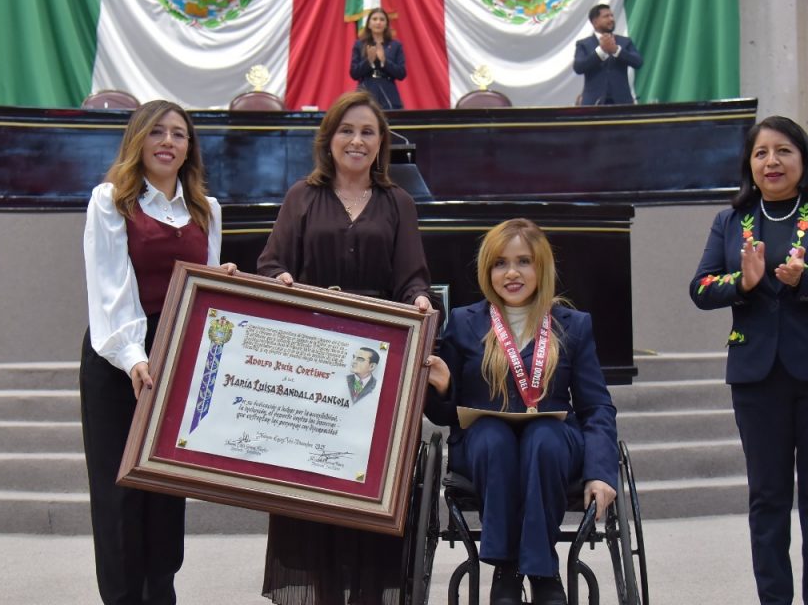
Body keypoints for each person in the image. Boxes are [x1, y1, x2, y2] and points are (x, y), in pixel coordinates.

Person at [256, 90, 433, 605]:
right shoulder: (301, 197)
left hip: (377, 370)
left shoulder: (397, 202)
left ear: (381, 145)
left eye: (368, 132)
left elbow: (413, 280)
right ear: (329, 139)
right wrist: (284, 279)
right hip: (313, 366)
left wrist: (420, 301)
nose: (357, 141)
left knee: (370, 481)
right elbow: (270, 265)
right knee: (316, 481)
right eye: (347, 131)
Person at [689, 115, 808, 605]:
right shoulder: (730, 220)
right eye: (761, 153)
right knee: (767, 499)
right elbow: (702, 288)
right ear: (749, 164)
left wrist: (807, 277)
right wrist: (742, 284)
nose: (772, 161)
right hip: (756, 376)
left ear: (803, 158)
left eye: (783, 151)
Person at [80, 99, 233, 604]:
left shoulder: (206, 210)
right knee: (119, 489)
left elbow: (201, 291)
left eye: (179, 134)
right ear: (138, 140)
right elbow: (110, 288)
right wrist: (133, 356)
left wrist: (224, 285)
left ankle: (160, 593)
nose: (169, 142)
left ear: (190, 147)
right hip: (117, 357)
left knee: (167, 486)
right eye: (158, 132)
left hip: (177, 353)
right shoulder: (111, 200)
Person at [423, 218, 618, 605]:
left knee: (542, 439)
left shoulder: (572, 326)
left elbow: (596, 407)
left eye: (523, 261)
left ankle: (542, 570)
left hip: (553, 443)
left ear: (541, 267)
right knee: (495, 438)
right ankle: (506, 569)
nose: (511, 273)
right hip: (483, 443)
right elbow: (443, 415)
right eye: (500, 263)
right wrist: (444, 388)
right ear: (487, 269)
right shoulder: (463, 322)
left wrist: (600, 471)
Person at [572, 4, 643, 106]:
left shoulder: (624, 42)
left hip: (622, 103)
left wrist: (616, 50)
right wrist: (601, 51)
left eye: (612, 16)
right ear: (595, 22)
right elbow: (578, 67)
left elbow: (638, 62)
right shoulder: (584, 44)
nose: (611, 19)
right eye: (606, 16)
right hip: (593, 104)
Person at [349, 8, 406, 110]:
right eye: (374, 19)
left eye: (382, 19)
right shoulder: (359, 44)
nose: (378, 22)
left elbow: (401, 74)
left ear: (386, 24)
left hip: (388, 92)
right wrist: (369, 61)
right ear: (369, 24)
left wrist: (384, 61)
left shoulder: (395, 45)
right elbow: (354, 73)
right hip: (366, 90)